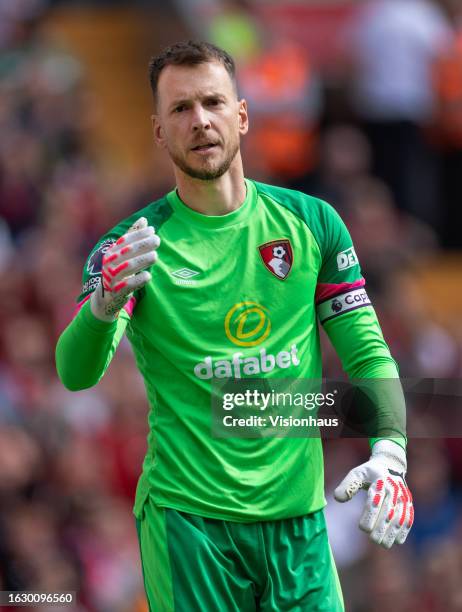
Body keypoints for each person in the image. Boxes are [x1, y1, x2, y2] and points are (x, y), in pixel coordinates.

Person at [56, 41, 414, 612]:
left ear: (241, 115)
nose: (199, 120)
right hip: (189, 525)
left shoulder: (312, 223)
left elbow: (368, 353)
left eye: (211, 102)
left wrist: (390, 452)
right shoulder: (132, 246)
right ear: (158, 131)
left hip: (299, 525)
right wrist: (102, 305)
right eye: (179, 109)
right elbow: (74, 374)